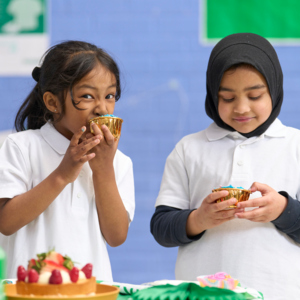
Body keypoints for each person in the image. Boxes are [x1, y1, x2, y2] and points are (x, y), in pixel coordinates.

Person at [150, 33, 300, 300]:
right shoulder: (189, 149)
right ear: (212, 94)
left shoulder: (295, 145)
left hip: (279, 292)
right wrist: (198, 219)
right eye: (228, 98)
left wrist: (282, 209)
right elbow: (161, 227)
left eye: (255, 95)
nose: (241, 108)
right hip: (202, 294)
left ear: (274, 89)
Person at [0, 41, 135, 281]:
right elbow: (6, 222)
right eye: (87, 96)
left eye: (110, 95)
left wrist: (104, 170)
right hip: (32, 292)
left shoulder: (119, 162)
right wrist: (62, 174)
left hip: (92, 292)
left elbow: (116, 236)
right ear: (52, 103)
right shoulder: (21, 147)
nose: (102, 108)